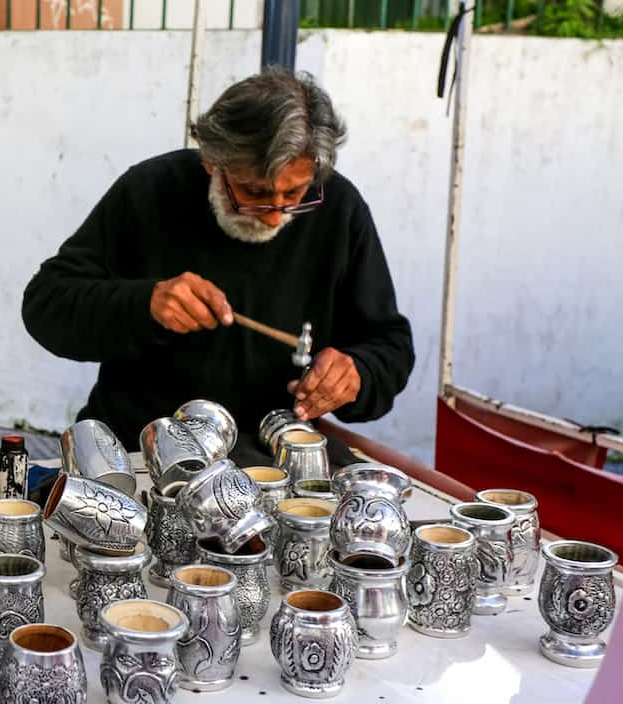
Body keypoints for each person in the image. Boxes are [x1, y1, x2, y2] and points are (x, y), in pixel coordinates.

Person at [21, 68, 414, 462]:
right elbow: (46, 304)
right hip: (139, 450)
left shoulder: (339, 208)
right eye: (255, 193)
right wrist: (144, 304)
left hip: (272, 457)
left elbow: (389, 346)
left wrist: (356, 373)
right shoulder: (150, 191)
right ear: (212, 161)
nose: (275, 216)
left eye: (294, 193)